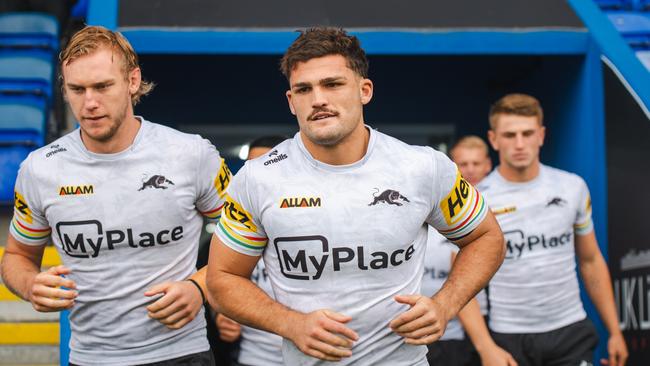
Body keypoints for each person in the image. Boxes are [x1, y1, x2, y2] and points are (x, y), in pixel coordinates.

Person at [206, 27, 505, 366]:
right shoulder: (259, 178)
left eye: (332, 84)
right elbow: (222, 278)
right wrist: (290, 324)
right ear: (291, 102)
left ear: (365, 91)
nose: (318, 99)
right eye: (304, 89)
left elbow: (486, 237)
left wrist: (444, 305)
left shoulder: (422, 166)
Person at [0, 26, 230, 365]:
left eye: (103, 86)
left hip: (183, 352)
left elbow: (248, 239)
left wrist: (200, 286)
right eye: (77, 89)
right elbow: (17, 256)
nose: (90, 103)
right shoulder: (40, 169)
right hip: (90, 357)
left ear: (132, 81)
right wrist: (31, 285)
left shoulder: (190, 154)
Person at [479, 93, 628, 366]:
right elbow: (462, 279)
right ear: (494, 139)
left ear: (542, 135)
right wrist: (486, 347)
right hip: (508, 336)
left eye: (528, 133)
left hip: (569, 329)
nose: (520, 144)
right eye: (510, 135)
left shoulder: (572, 187)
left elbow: (591, 260)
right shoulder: (478, 199)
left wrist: (615, 331)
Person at [425, 136, 516, 366]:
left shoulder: (504, 207)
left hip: (493, 322)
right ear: (452, 167)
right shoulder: (436, 210)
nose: (470, 170)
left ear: (487, 164)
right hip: (439, 326)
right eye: (463, 164)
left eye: (476, 164)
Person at [216, 135, 288, 366]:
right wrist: (221, 315)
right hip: (252, 358)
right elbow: (220, 285)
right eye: (251, 167)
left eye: (268, 165)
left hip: (319, 356)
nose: (257, 177)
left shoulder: (319, 221)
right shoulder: (229, 233)